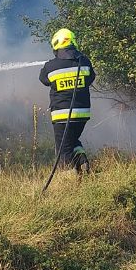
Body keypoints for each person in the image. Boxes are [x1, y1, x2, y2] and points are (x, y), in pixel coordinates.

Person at [39, 28, 95, 174]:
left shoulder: (50, 66)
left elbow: (43, 79)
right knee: (72, 140)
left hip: (62, 115)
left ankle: (67, 177)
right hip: (82, 114)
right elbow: (90, 78)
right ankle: (81, 159)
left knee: (63, 149)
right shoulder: (84, 61)